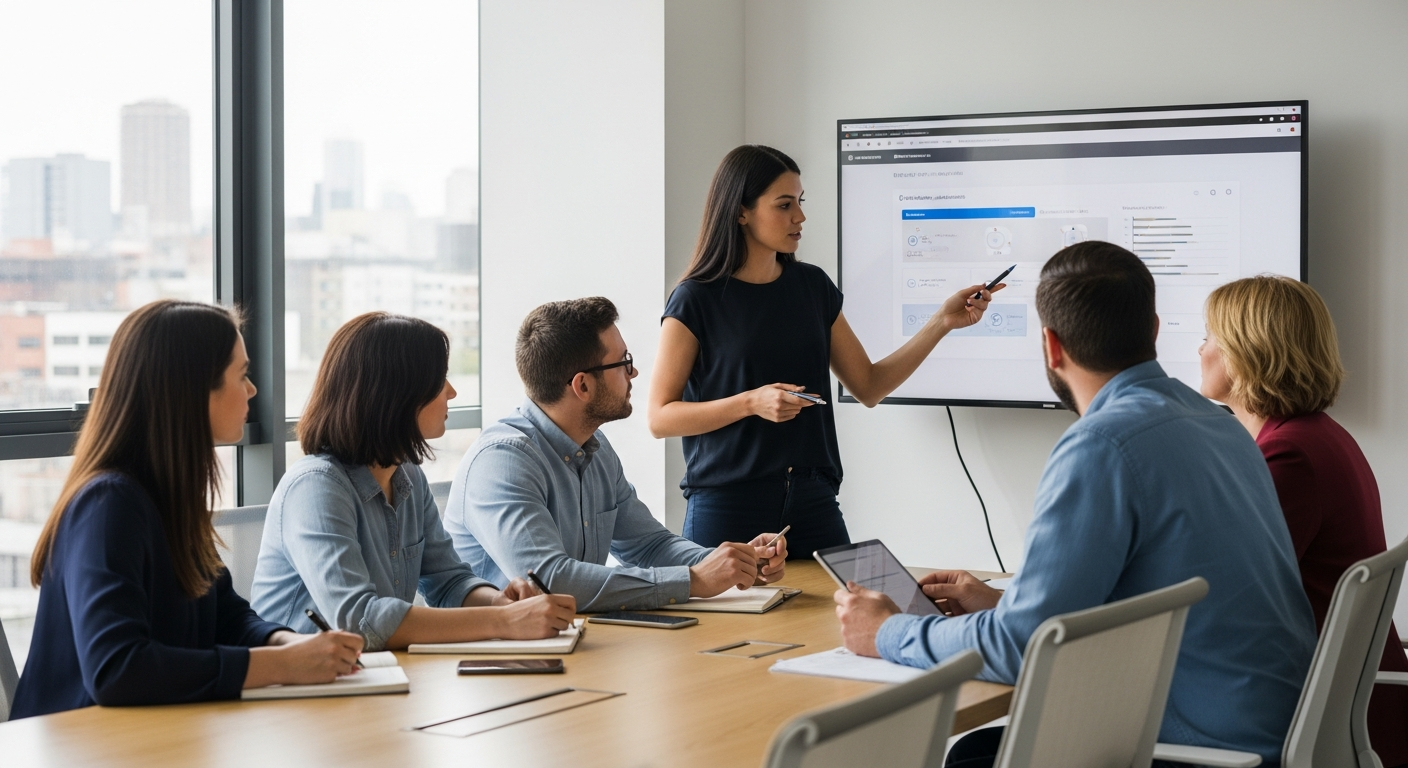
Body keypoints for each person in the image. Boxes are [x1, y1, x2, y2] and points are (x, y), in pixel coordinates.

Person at [833, 242, 1318, 767]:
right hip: (1275, 732)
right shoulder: (1219, 424)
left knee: (974, 756)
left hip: (1201, 748)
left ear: (1051, 346)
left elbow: (1020, 649)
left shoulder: (1103, 444)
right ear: (1153, 329)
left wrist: (886, 631)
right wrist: (1007, 605)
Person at [12, 300, 364, 719]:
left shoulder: (171, 497)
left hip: (158, 736)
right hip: (85, 746)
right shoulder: (108, 504)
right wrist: (282, 666)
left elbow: (227, 619)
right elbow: (118, 669)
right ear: (193, 392)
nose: (252, 390)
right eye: (242, 375)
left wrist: (289, 644)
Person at [648, 144, 1001, 555]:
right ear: (741, 211)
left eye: (799, 202)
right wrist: (751, 402)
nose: (799, 216)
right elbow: (659, 417)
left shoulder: (812, 287)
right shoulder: (696, 299)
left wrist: (942, 322)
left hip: (812, 503)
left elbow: (868, 386)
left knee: (845, 615)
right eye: (783, 205)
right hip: (726, 507)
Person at [251, 313, 575, 651]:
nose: (451, 391)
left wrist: (501, 604)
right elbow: (360, 619)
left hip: (371, 679)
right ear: (396, 393)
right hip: (299, 690)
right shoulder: (315, 487)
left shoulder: (408, 477)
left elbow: (448, 582)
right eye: (439, 380)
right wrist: (505, 622)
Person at [444, 297, 788, 612]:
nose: (633, 372)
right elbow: (550, 581)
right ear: (582, 385)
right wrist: (695, 580)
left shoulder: (596, 448)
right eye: (624, 363)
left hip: (572, 641)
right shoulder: (502, 461)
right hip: (499, 661)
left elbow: (649, 546)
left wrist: (729, 563)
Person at [1201, 274, 1408, 767]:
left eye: (1210, 336)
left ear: (1245, 352)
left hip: (1310, 717)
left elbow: (1221, 602)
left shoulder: (1289, 455)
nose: (1202, 350)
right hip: (1352, 711)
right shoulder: (1317, 436)